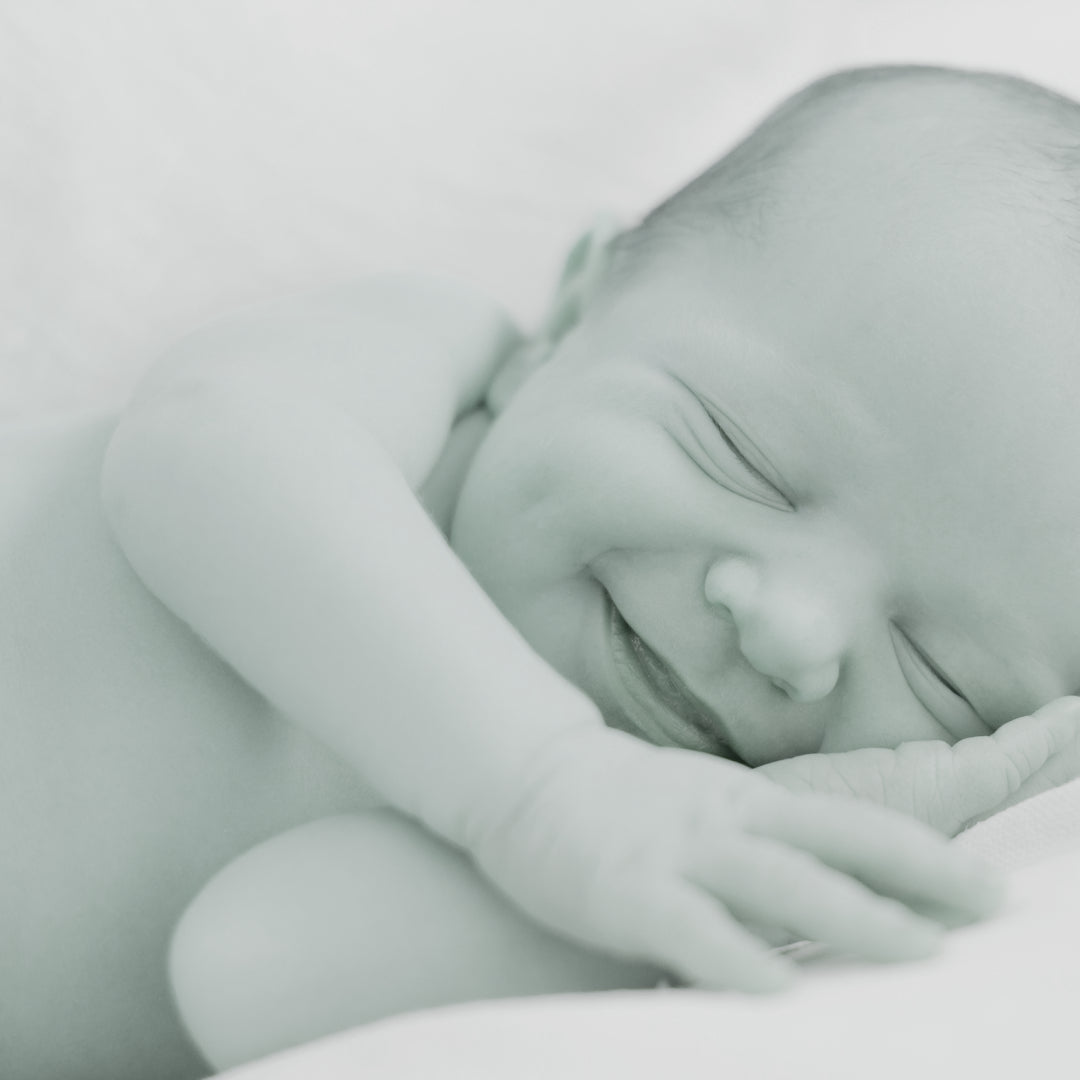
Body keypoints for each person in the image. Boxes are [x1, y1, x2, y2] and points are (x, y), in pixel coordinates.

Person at [7, 63, 1080, 1080]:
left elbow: (251, 965)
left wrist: (748, 878)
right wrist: (537, 779)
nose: (793, 630)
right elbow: (198, 449)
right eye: (736, 455)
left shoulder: (582, 879)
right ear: (571, 313)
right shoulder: (426, 380)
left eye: (944, 671)